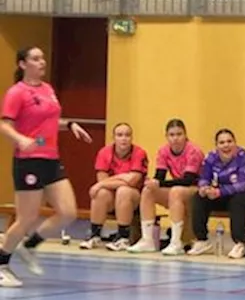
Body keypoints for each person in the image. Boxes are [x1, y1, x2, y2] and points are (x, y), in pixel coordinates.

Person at [0, 47, 92, 287]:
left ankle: (29, 246)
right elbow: (4, 124)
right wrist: (20, 139)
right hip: (28, 160)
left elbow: (48, 123)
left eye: (42, 58)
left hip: (51, 158)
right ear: (22, 64)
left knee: (68, 212)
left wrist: (70, 124)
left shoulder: (48, 89)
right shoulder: (16, 93)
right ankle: (1, 264)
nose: (42, 62)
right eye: (35, 58)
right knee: (26, 217)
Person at [127, 118, 204, 255]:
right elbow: (160, 176)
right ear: (167, 136)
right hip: (178, 189)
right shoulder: (164, 151)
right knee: (148, 190)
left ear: (185, 135)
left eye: (179, 134)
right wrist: (153, 182)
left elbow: (188, 180)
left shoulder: (193, 151)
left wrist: (160, 183)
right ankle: (147, 240)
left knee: (176, 191)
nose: (175, 138)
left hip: (197, 189)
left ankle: (176, 242)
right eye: (172, 135)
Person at [188, 128, 245, 259]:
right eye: (222, 142)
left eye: (229, 141)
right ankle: (202, 240)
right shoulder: (211, 157)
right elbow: (204, 177)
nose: (226, 145)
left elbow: (242, 185)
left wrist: (219, 192)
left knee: (237, 201)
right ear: (217, 146)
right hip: (223, 194)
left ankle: (240, 243)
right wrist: (204, 188)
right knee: (199, 198)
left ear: (235, 143)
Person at [82, 122, 149, 250]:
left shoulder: (139, 153)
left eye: (127, 135)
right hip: (113, 196)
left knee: (124, 191)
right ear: (114, 138)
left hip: (136, 197)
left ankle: (123, 237)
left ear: (131, 138)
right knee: (100, 192)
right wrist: (123, 177)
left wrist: (103, 183)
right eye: (120, 135)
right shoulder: (104, 152)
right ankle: (95, 235)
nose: (124, 138)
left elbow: (133, 181)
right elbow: (102, 180)